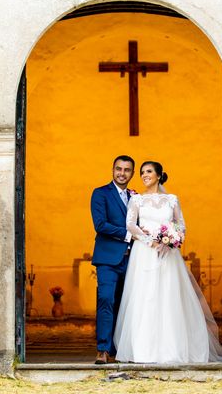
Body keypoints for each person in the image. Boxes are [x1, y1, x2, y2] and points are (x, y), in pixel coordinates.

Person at [113, 161, 222, 363]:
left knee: (168, 296)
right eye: (142, 172)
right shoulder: (136, 200)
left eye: (148, 172)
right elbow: (130, 225)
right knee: (145, 296)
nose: (144, 175)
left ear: (158, 175)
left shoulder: (172, 199)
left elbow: (181, 225)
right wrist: (151, 242)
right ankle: (144, 351)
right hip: (144, 253)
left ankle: (171, 350)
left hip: (168, 254)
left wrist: (171, 242)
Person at [90, 155, 136, 364]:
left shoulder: (135, 197)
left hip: (133, 259)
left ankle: (119, 348)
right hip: (108, 259)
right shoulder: (100, 194)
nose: (122, 173)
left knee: (125, 304)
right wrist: (128, 234)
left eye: (127, 170)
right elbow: (100, 225)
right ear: (112, 170)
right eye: (118, 169)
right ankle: (102, 349)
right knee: (106, 300)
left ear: (132, 173)